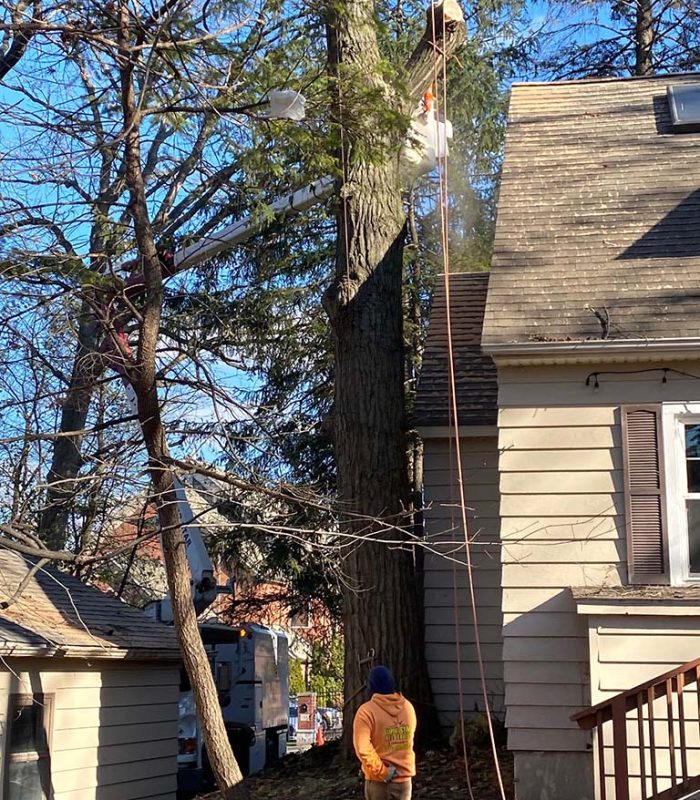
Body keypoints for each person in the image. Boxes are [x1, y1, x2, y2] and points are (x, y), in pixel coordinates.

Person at [352, 665, 417, 800]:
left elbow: (363, 748)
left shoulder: (366, 712)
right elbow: (410, 737)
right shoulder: (408, 708)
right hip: (404, 782)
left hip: (380, 783)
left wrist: (383, 772)